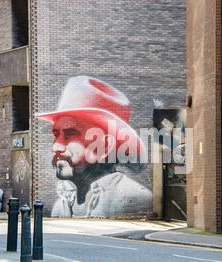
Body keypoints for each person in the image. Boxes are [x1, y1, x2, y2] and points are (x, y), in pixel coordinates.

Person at [36, 76, 152, 218]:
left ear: (103, 146)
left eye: (70, 134)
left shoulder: (133, 198)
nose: (56, 146)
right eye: (56, 135)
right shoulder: (61, 206)